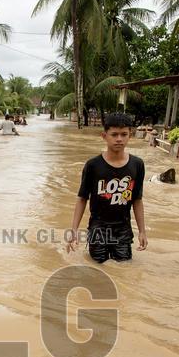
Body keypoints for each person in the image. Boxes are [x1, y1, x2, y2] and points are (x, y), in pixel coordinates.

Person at [66, 112, 148, 262]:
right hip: (98, 227)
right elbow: (82, 198)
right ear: (104, 136)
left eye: (124, 134)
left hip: (123, 228)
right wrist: (74, 230)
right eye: (114, 134)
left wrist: (142, 231)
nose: (119, 139)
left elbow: (137, 199)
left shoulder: (137, 165)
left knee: (123, 267)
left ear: (130, 135)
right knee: (98, 266)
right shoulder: (93, 165)